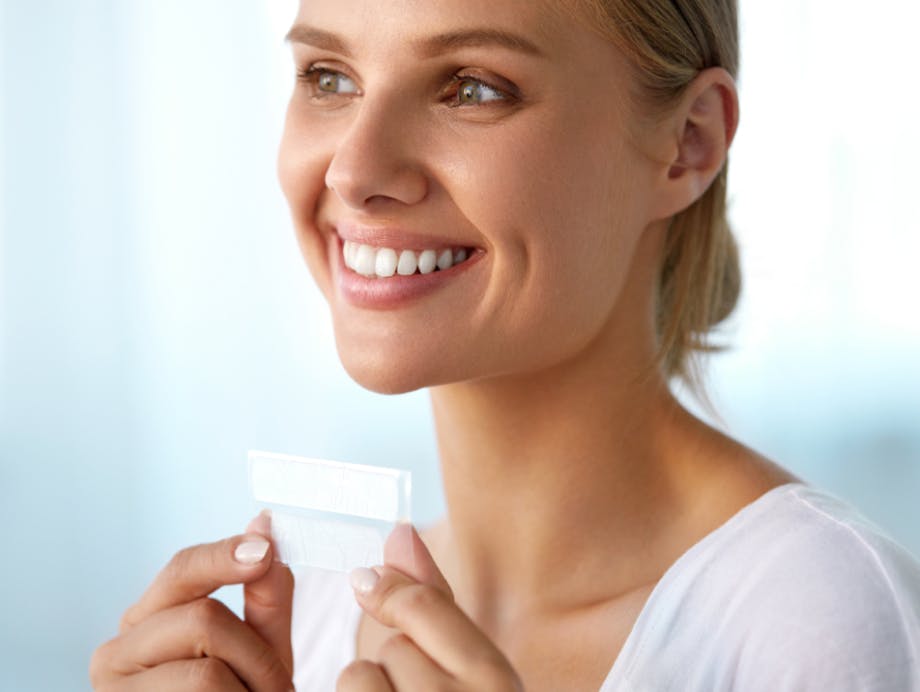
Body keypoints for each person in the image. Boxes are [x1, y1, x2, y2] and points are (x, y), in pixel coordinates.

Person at [90, 0, 920, 690]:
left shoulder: (819, 620)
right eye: (328, 77)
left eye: (472, 88)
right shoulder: (307, 622)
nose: (354, 170)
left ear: (688, 143)